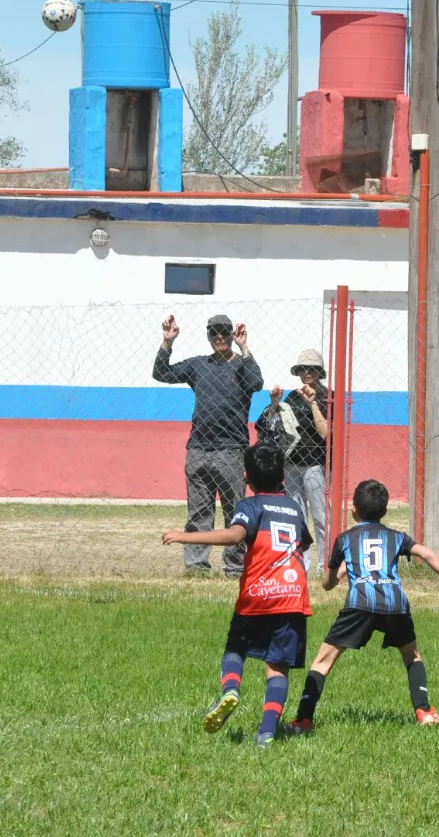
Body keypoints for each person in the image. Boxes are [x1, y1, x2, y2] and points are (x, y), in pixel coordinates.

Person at [287, 479, 439, 735]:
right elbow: (427, 554)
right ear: (384, 512)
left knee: (322, 662)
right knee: (412, 656)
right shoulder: (396, 537)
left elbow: (327, 584)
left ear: (353, 511)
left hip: (360, 604)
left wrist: (340, 572)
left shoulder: (345, 539)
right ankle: (424, 712)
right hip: (395, 604)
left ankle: (304, 720)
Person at [161, 444, 311, 748]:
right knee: (277, 667)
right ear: (283, 475)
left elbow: (235, 535)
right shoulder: (295, 508)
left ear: (247, 478)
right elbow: (304, 544)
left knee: (235, 650)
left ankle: (231, 689)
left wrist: (185, 535)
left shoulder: (249, 506)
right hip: (292, 596)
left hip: (257, 595)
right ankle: (267, 732)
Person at [154, 314, 264, 576]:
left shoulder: (241, 366)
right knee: (199, 512)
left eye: (225, 332)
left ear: (232, 334)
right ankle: (196, 567)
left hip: (232, 449)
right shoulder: (198, 365)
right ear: (208, 336)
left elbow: (257, 383)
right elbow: (161, 373)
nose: (220, 338)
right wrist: (167, 342)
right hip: (199, 449)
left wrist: (244, 348)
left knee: (235, 512)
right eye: (214, 333)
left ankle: (235, 568)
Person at [280, 349, 330, 573]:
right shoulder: (291, 396)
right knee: (296, 517)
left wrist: (312, 403)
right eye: (302, 369)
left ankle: (324, 563)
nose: (307, 373)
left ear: (319, 371)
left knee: (320, 516)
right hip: (291, 463)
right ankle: (302, 563)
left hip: (314, 464)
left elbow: (325, 432)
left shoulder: (328, 396)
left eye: (311, 369)